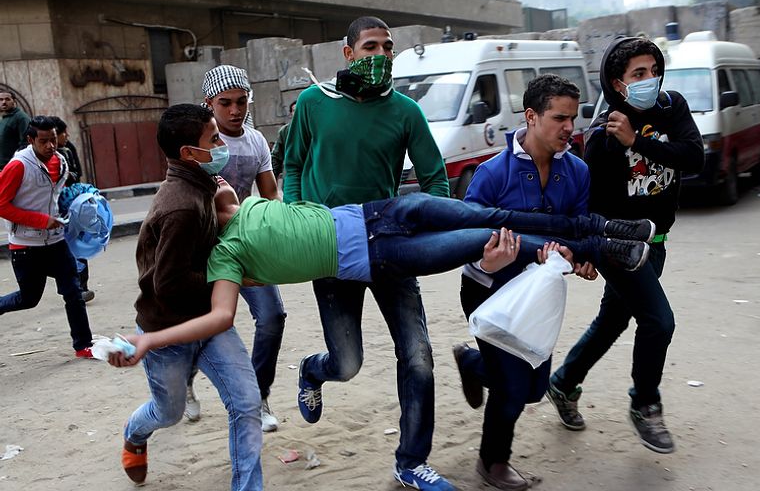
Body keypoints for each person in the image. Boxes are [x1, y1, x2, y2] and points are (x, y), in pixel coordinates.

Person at [111, 180, 655, 366]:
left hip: (378, 212)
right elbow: (220, 318)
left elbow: (201, 179)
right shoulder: (226, 261)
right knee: (487, 239)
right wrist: (150, 340)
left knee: (489, 214)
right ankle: (601, 251)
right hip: (379, 258)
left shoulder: (228, 204)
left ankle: (602, 230)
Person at [282, 15, 455, 491]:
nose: (381, 55)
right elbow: (292, 165)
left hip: (389, 244)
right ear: (348, 53)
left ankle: (412, 461)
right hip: (330, 247)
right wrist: (298, 219)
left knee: (418, 356)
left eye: (387, 47)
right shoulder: (314, 103)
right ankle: (313, 370)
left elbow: (435, 179)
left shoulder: (405, 111)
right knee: (347, 362)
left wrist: (428, 224)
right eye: (370, 47)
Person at [109, 104, 283, 491]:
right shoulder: (181, 206)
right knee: (167, 412)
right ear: (189, 153)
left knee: (245, 402)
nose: (222, 144)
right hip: (166, 331)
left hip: (208, 324)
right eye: (213, 139)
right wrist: (228, 278)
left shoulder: (203, 184)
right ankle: (135, 433)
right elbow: (167, 284)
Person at [451, 73, 610, 491]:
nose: (569, 128)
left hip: (541, 295)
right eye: (559, 118)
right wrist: (488, 259)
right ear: (531, 116)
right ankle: (492, 461)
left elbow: (578, 230)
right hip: (489, 290)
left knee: (536, 387)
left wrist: (581, 258)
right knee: (512, 386)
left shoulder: (577, 171)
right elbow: (465, 237)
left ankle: (471, 363)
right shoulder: (491, 174)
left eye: (573, 119)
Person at [546, 36, 705, 454]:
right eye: (639, 73)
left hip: (658, 242)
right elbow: (591, 203)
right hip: (619, 247)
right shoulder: (602, 136)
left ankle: (562, 382)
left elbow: (694, 158)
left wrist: (638, 142)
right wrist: (586, 251)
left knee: (613, 319)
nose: (651, 79)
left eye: (654, 70)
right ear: (618, 83)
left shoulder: (672, 108)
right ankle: (645, 404)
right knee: (659, 321)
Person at [186, 65, 287, 433]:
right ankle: (186, 380)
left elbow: (270, 195)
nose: (235, 110)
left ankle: (259, 397)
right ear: (209, 104)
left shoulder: (256, 142)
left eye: (241, 101)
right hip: (206, 248)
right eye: (225, 103)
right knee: (202, 324)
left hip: (246, 243)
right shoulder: (199, 143)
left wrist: (276, 231)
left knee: (273, 317)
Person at [0, 115, 94, 359]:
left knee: (73, 292)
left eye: (53, 139)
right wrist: (41, 220)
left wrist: (80, 203)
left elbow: (56, 197)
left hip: (56, 241)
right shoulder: (18, 166)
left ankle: (83, 345)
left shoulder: (60, 161)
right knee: (29, 298)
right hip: (25, 245)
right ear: (31, 140)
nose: (51, 146)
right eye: (43, 141)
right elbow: (2, 205)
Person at [50, 116, 94, 303]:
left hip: (71, 206)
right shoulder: (39, 158)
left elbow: (77, 174)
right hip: (53, 211)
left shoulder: (68, 150)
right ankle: (69, 286)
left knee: (78, 244)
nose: (66, 135)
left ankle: (81, 287)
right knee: (61, 249)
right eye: (63, 133)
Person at [0, 90, 31, 171]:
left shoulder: (21, 118)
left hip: (11, 167)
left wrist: (14, 164)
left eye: (7, 99)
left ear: (14, 101)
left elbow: (25, 144)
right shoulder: (4, 117)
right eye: (1, 99)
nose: (4, 102)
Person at [270, 101, 296, 179]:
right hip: (291, 175)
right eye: (294, 110)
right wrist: (273, 178)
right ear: (291, 114)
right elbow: (276, 157)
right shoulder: (285, 131)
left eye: (300, 110)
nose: (297, 113)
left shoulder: (313, 129)